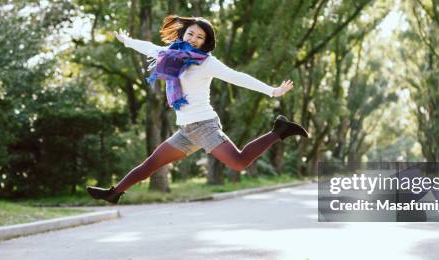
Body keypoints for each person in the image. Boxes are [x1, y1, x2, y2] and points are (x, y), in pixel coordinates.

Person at [87, 15, 308, 204]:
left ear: (205, 42)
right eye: (191, 34)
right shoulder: (170, 54)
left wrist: (272, 91)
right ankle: (114, 193)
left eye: (200, 37)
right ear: (184, 34)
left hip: (204, 125)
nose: (194, 39)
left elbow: (236, 77)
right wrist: (126, 41)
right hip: (186, 130)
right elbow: (150, 48)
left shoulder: (206, 62)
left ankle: (280, 130)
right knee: (152, 163)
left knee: (239, 162)